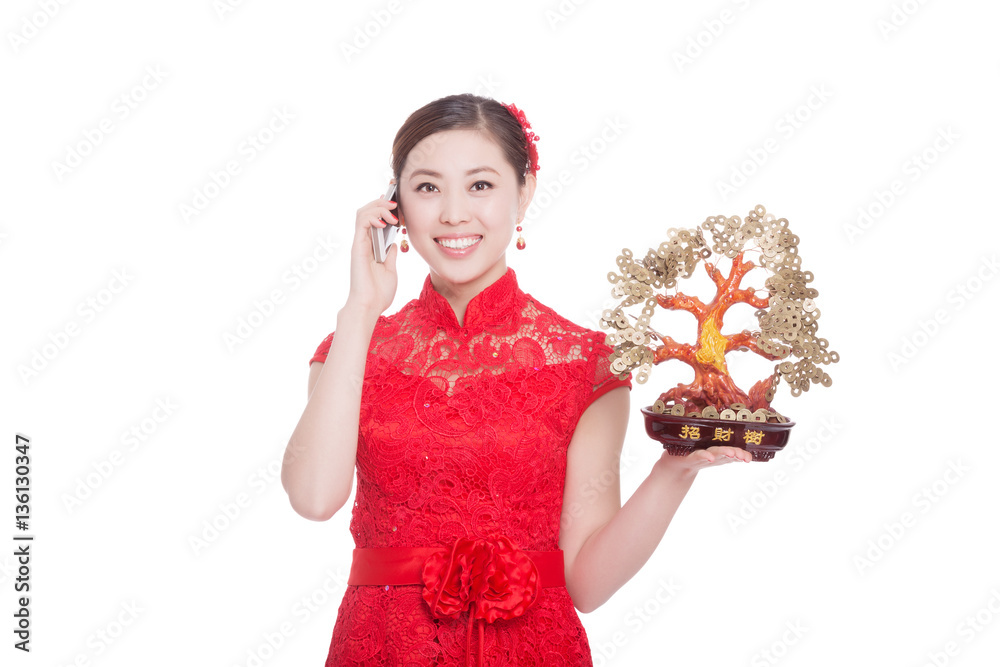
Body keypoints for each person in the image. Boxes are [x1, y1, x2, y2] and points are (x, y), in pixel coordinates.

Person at [281, 93, 752, 667]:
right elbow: (312, 498)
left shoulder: (585, 363)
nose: (454, 213)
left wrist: (677, 469)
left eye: (480, 185)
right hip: (382, 649)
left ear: (523, 192)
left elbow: (587, 582)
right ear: (394, 204)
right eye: (428, 187)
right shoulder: (350, 349)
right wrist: (360, 309)